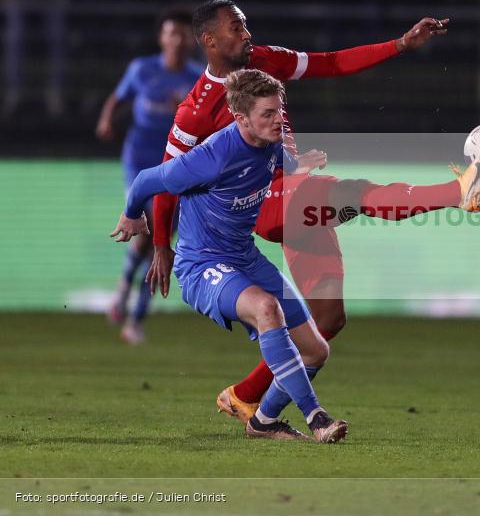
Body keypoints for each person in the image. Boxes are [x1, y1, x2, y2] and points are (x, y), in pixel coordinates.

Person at [147, 0, 480, 423]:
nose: (247, 34)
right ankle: (457, 191)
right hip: (258, 205)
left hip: (292, 190)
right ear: (210, 40)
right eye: (237, 28)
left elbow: (332, 63)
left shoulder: (265, 60)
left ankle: (246, 398)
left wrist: (400, 44)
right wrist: (161, 243)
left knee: (327, 317)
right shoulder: (196, 109)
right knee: (353, 194)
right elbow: (164, 180)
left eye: (246, 26)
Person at [111, 69, 347, 443]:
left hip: (244, 257)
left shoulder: (272, 144)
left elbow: (278, 166)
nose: (278, 120)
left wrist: (301, 166)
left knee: (317, 351)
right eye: (268, 113)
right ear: (241, 119)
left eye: (280, 111)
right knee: (267, 308)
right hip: (202, 265)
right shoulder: (210, 157)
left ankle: (265, 421)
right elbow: (145, 181)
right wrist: (134, 215)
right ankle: (316, 416)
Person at [96, 9, 203, 344]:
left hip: (175, 163)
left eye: (185, 34)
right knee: (148, 233)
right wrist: (106, 119)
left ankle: (132, 310)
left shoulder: (198, 77)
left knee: (160, 239)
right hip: (140, 160)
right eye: (173, 33)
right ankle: (129, 302)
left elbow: (206, 123)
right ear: (162, 38)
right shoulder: (142, 69)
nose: (178, 40)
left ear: (192, 40)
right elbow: (118, 97)